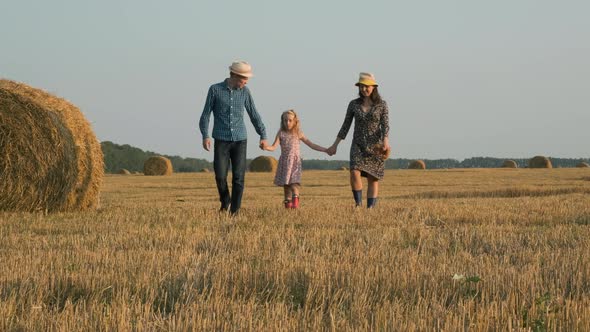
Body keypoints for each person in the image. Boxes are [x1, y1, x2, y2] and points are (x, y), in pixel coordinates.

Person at [199, 60, 268, 215]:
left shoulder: (245, 92)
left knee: (238, 178)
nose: (246, 82)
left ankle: (235, 211)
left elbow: (254, 115)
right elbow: (205, 115)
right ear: (235, 75)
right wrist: (205, 135)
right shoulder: (215, 90)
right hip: (221, 140)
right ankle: (225, 202)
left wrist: (262, 135)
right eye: (244, 78)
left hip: (240, 140)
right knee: (220, 176)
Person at [326, 72, 390, 208]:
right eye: (361, 86)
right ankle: (358, 205)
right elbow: (345, 126)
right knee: (354, 172)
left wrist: (385, 142)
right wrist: (334, 145)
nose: (364, 89)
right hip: (358, 145)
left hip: (375, 146)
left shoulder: (382, 105)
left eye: (367, 86)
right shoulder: (353, 104)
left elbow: (385, 125)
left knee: (373, 179)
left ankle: (370, 209)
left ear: (374, 87)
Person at [264, 110, 328, 209]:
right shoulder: (281, 133)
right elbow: (273, 147)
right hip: (284, 162)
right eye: (285, 120)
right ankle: (288, 208)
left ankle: (295, 206)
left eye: (290, 120)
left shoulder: (298, 133)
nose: (287, 123)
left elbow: (311, 145)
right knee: (286, 187)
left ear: (295, 121)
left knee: (294, 185)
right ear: (282, 121)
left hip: (295, 163)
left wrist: (325, 150)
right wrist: (266, 147)